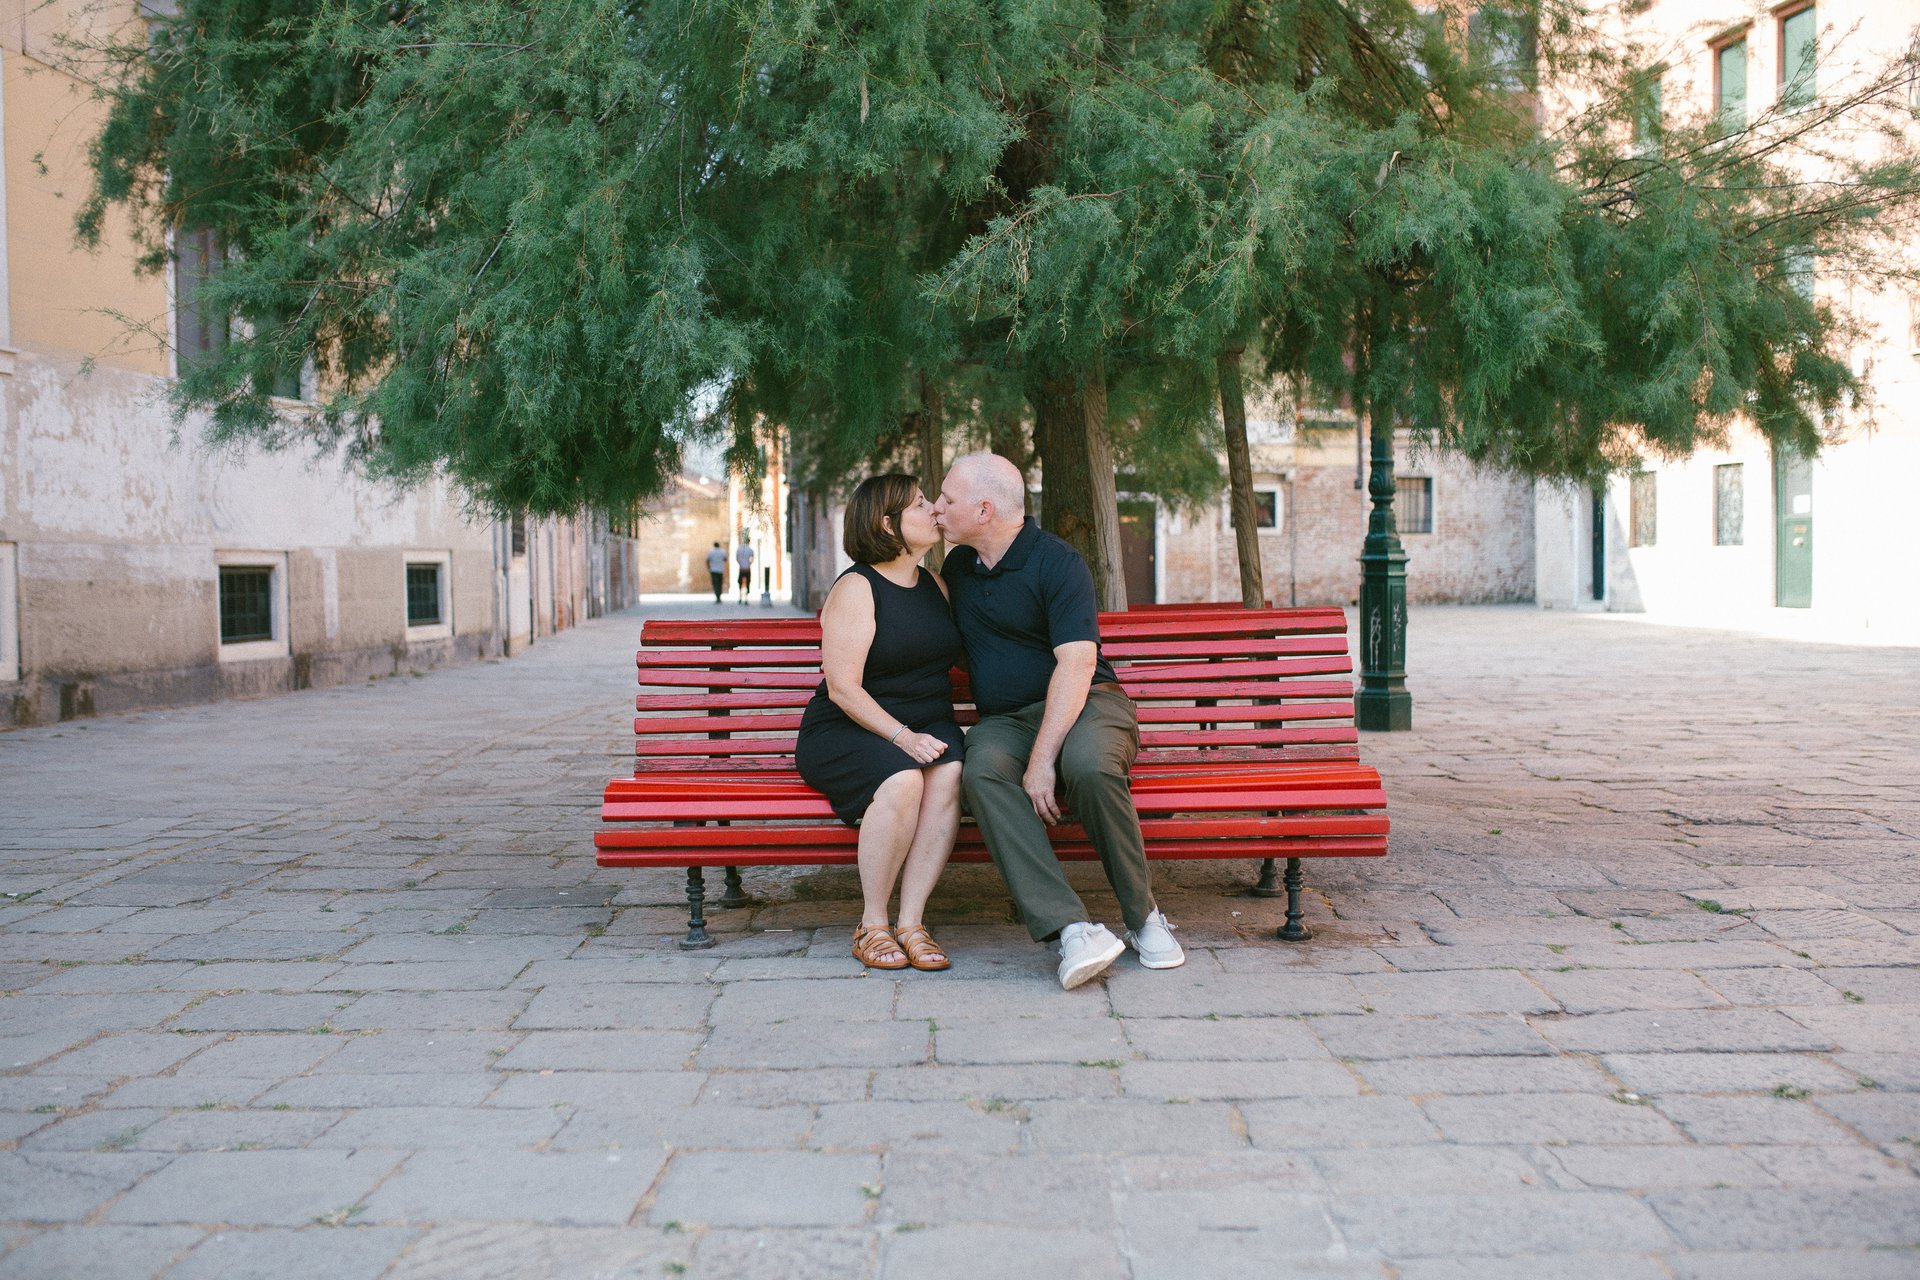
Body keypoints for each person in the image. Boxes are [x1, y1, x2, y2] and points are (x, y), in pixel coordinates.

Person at [932, 452, 1183, 989]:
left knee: (1089, 766)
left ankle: (1143, 917)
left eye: (946, 500)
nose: (936, 508)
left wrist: (1044, 760)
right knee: (982, 773)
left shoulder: (1058, 562)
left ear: (983, 509)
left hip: (1089, 700)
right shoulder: (959, 567)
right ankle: (1070, 929)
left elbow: (1077, 663)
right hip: (1008, 719)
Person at [795, 474, 964, 971]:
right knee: (903, 779)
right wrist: (902, 737)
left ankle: (911, 923)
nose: (934, 509)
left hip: (926, 724)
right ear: (887, 523)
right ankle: (872, 925)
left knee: (950, 772)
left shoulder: (935, 584)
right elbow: (844, 688)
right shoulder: (856, 587)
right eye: (919, 504)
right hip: (850, 728)